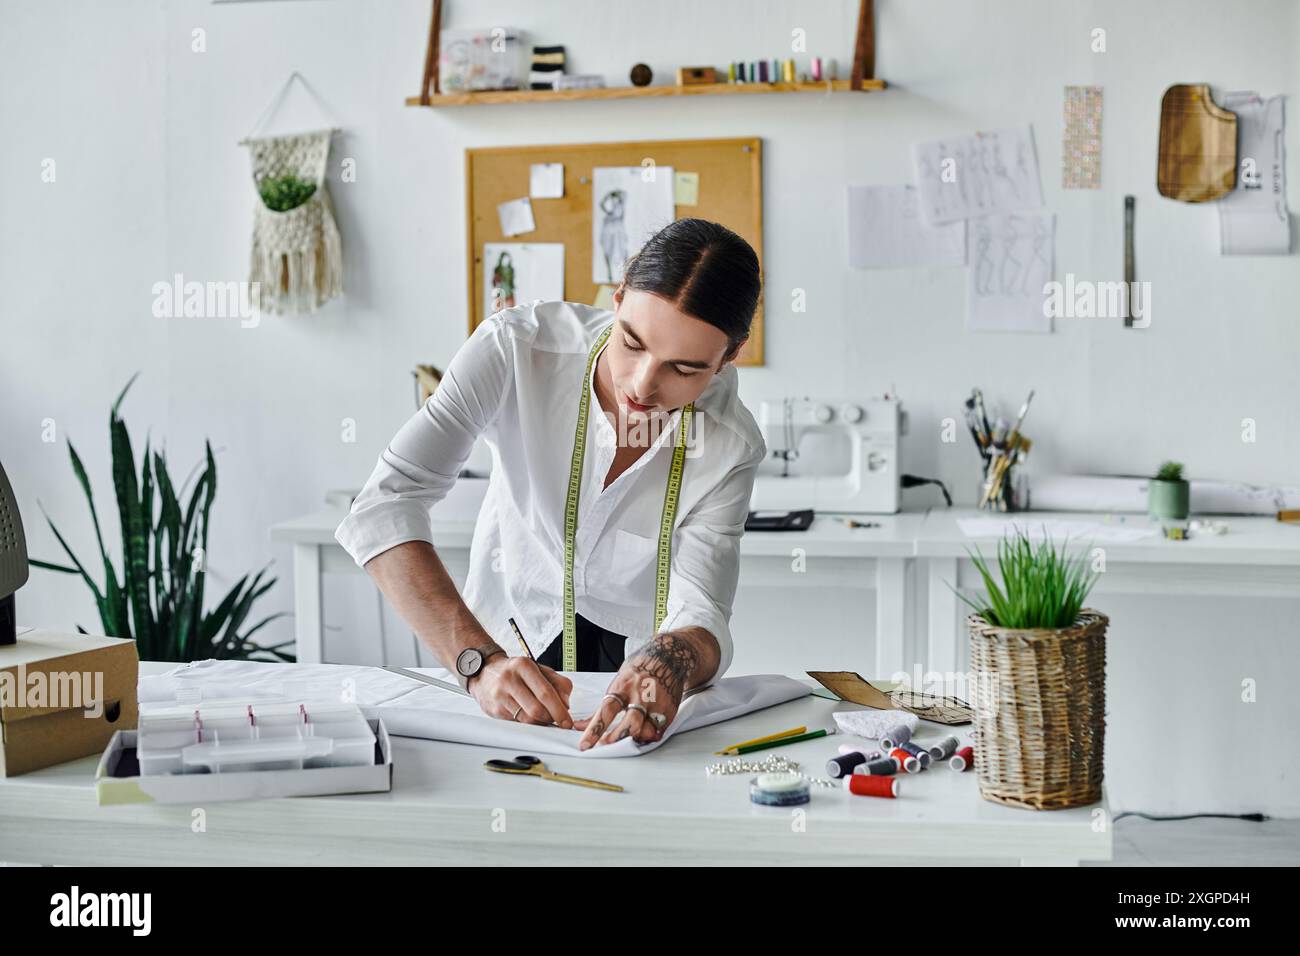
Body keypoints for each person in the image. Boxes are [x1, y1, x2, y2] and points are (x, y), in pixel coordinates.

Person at [335, 218, 765, 750]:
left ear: (730, 355)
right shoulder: (516, 349)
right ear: (619, 292)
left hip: (635, 673)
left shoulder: (730, 444)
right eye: (632, 342)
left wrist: (670, 661)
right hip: (502, 647)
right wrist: (477, 663)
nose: (641, 385)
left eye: (684, 369)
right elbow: (383, 503)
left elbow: (703, 611)